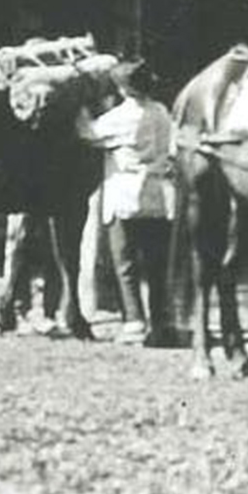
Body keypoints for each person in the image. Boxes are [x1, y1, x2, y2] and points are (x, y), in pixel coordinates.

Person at [77, 57, 175, 345]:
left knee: (125, 261)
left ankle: (134, 321)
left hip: (126, 195)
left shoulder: (123, 116)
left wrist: (81, 108)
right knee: (156, 264)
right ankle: (160, 321)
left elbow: (88, 133)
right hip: (157, 196)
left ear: (122, 89)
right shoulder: (160, 111)